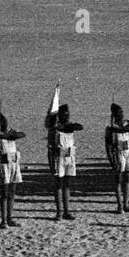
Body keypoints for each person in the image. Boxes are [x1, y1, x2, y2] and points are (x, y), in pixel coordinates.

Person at [44, 86, 83, 221]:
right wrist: (50, 164)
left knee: (67, 185)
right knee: (59, 185)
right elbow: (49, 148)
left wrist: (63, 126)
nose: (68, 116)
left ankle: (67, 210)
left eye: (68, 114)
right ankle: (59, 211)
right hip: (58, 158)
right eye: (65, 114)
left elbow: (79, 126)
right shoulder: (54, 131)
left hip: (69, 157)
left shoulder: (68, 127)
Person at [0, 112, 25, 228]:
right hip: (3, 166)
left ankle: (10, 218)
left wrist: (6, 136)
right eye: (1, 123)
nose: (3, 124)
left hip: (14, 165)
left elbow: (21, 134)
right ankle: (3, 220)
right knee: (4, 194)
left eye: (4, 122)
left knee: (12, 193)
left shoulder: (11, 133)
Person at [104, 102, 129, 213]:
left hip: (128, 151)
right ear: (114, 115)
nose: (121, 115)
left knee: (128, 177)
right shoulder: (110, 128)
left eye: (122, 112)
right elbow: (108, 145)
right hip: (118, 152)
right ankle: (119, 205)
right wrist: (111, 161)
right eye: (119, 113)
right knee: (118, 179)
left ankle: (126, 203)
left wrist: (119, 130)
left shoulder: (126, 122)